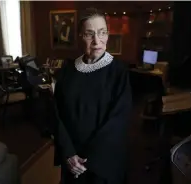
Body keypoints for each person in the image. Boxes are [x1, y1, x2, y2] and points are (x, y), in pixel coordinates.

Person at [54, 7, 132, 184]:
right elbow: (57, 115)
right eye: (89, 34)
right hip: (72, 162)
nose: (97, 41)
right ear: (80, 36)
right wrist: (68, 153)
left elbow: (118, 121)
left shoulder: (119, 72)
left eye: (102, 32)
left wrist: (89, 158)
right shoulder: (67, 72)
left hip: (104, 162)